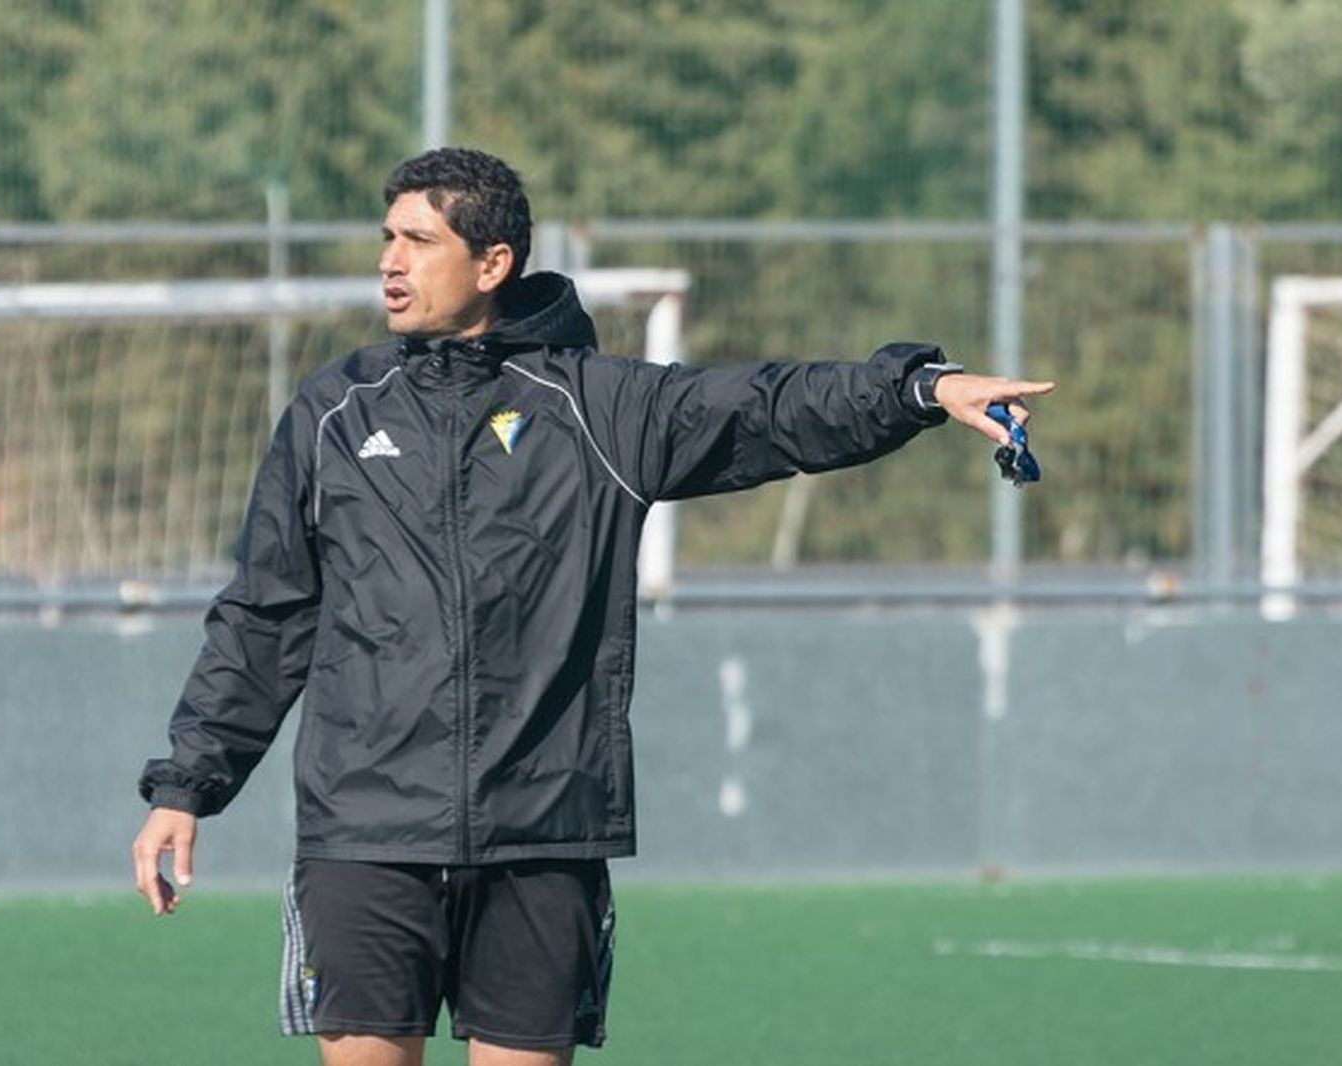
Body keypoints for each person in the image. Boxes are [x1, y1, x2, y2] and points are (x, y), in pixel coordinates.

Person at [132, 146, 1053, 1066]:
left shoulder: (597, 408)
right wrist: (188, 784)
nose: (391, 261)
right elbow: (267, 611)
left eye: (418, 240)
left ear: (492, 263)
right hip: (367, 830)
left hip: (543, 828)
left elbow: (769, 408)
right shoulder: (334, 410)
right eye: (387, 238)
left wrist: (918, 388)